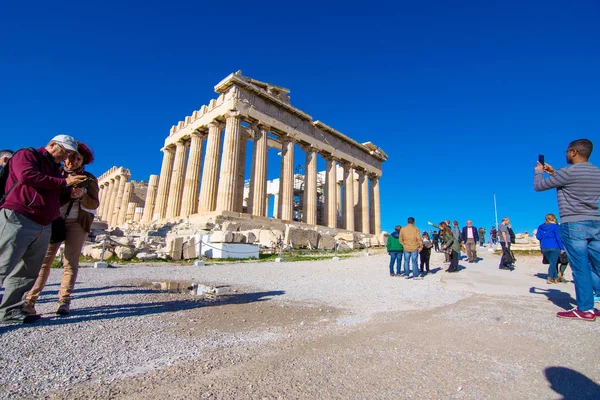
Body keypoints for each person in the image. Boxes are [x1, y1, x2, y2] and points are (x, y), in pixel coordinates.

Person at [0, 135, 87, 324]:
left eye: (71, 154)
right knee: (3, 263)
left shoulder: (55, 169)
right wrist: (64, 183)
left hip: (43, 223)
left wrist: (71, 195)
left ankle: (10, 311)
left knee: (28, 270)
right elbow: (26, 176)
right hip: (18, 216)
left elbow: (55, 198)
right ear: (53, 145)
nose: (67, 157)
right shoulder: (27, 155)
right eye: (65, 152)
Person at [24, 142, 99, 315]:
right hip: (53, 219)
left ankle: (64, 300)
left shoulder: (89, 179)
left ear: (83, 161)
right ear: (65, 157)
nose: (74, 161)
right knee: (44, 262)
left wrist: (82, 196)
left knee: (70, 263)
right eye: (71, 156)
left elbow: (94, 202)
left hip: (77, 222)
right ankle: (30, 301)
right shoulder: (54, 172)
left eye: (78, 158)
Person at [534, 138, 600, 321]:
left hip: (574, 224)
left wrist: (539, 172)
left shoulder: (568, 172)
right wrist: (554, 172)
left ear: (573, 152)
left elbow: (539, 187)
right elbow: (573, 183)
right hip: (595, 222)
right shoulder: (597, 172)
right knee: (598, 264)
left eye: (566, 151)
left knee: (581, 268)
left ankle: (586, 309)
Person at [536, 213, 565, 284]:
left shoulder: (541, 227)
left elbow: (538, 237)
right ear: (553, 218)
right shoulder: (555, 226)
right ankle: (549, 277)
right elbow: (558, 238)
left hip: (544, 247)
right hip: (554, 246)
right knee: (553, 263)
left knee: (552, 263)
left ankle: (555, 278)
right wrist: (562, 248)